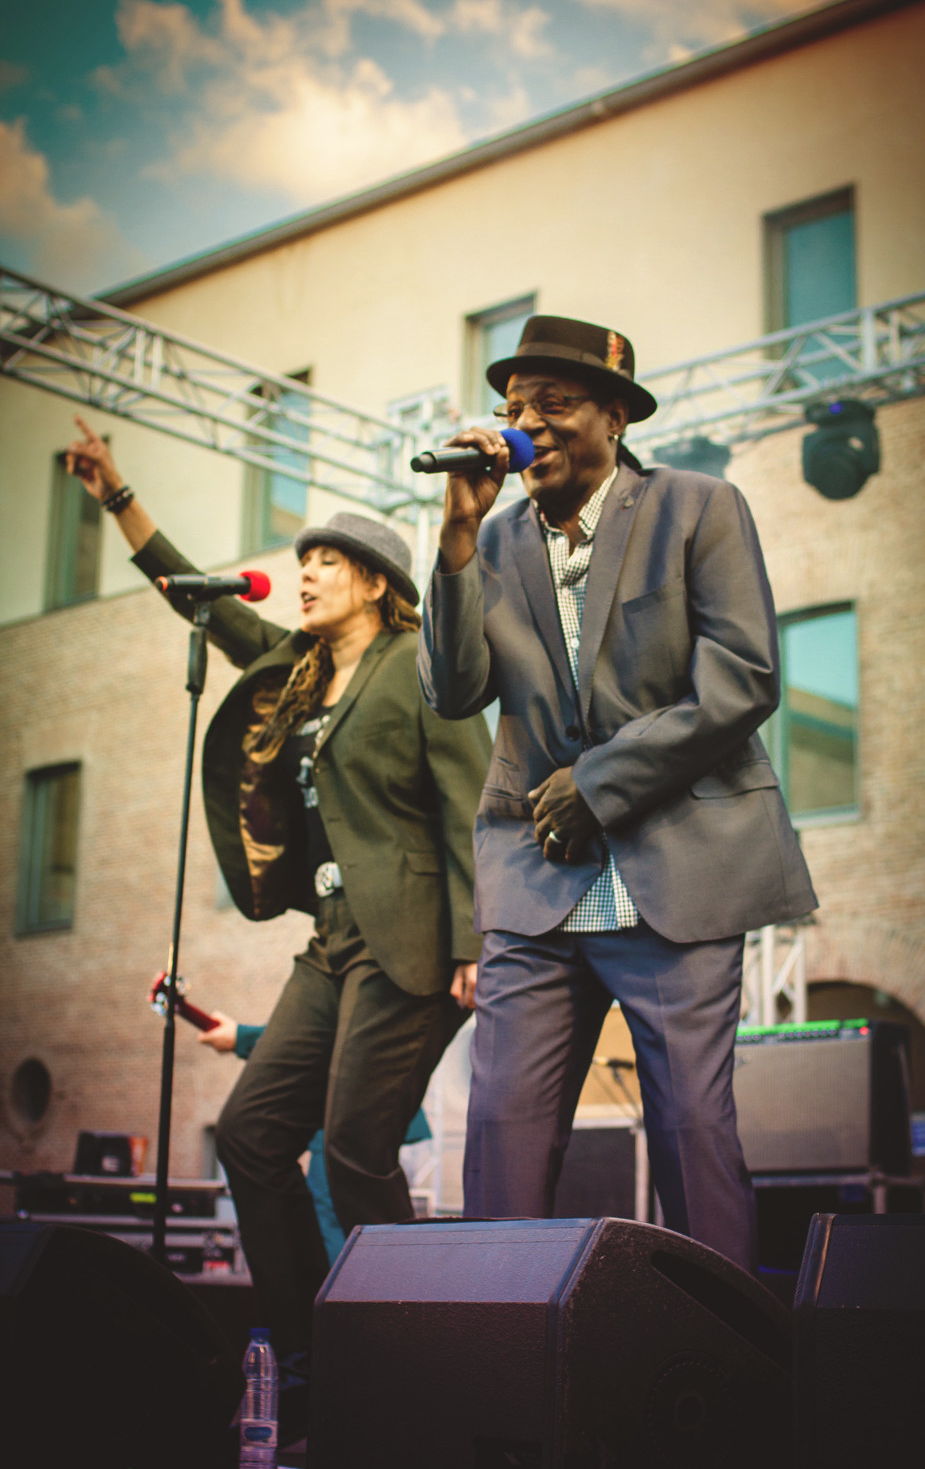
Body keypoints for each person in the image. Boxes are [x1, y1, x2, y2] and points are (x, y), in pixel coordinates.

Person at [65, 416, 489, 1371]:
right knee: (253, 1137)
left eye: (328, 562)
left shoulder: (419, 671)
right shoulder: (292, 669)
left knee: (355, 1147)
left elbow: (471, 800)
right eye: (303, 561)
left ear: (378, 584)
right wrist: (117, 494)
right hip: (333, 938)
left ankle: (407, 1358)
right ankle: (308, 1354)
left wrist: (478, 936)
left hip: (412, 936)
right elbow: (196, 602)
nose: (305, 573)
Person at [417, 315, 817, 1273]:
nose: (529, 423)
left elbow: (742, 678)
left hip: (676, 873)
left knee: (693, 1139)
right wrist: (459, 535)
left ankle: (725, 1370)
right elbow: (452, 688)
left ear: (615, 415)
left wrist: (599, 783)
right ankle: (503, 1361)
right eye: (516, 407)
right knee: (502, 1142)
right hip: (532, 889)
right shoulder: (495, 538)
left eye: (555, 403)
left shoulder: (697, 507)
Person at [198, 1013, 432, 1263]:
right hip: (362, 1109)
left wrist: (242, 1037)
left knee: (339, 1224)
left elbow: (325, 1032)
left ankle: (345, 1298)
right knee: (358, 1223)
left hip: (349, 1109)